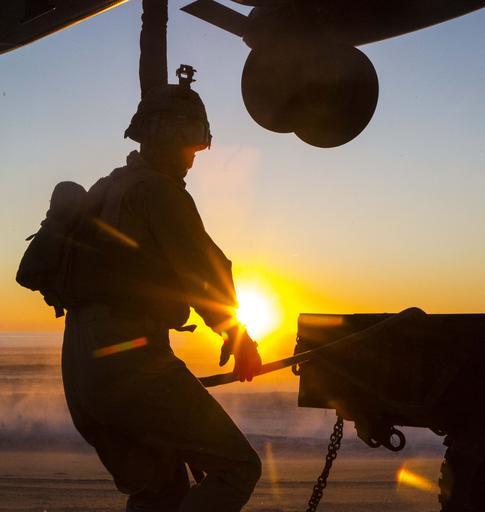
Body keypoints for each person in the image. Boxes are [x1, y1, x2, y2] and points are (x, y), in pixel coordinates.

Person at [61, 2, 262, 511]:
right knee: (238, 467)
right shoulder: (160, 192)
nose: (193, 158)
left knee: (160, 490)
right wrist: (238, 338)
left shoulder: (109, 186)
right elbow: (203, 270)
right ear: (174, 137)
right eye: (192, 145)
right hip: (131, 364)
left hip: (81, 369)